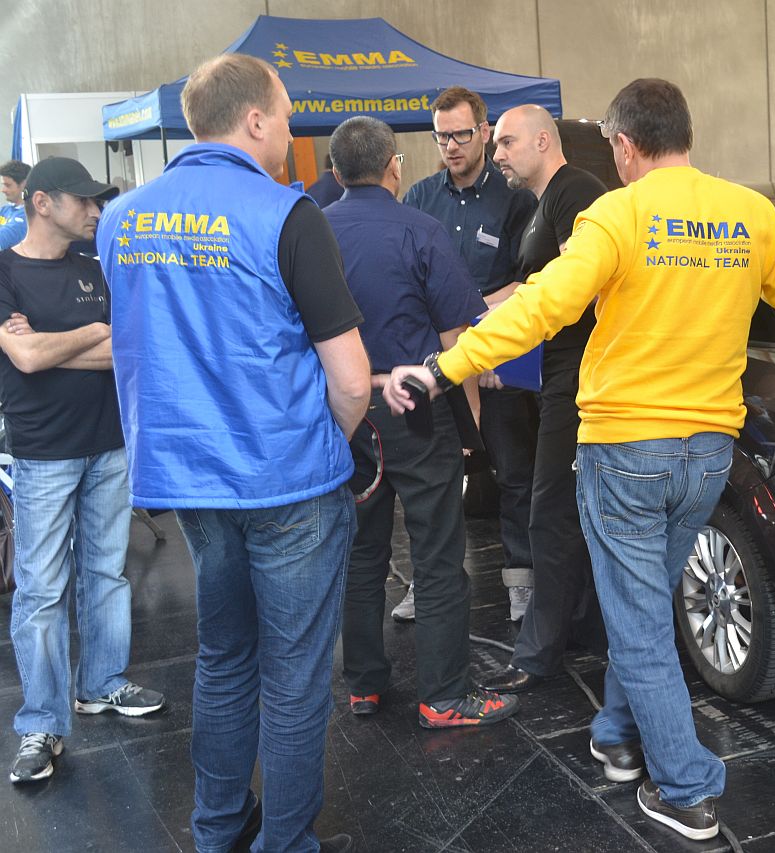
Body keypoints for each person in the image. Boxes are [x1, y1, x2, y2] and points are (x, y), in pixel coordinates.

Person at [382, 78, 775, 842]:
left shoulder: (616, 215)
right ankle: (618, 736)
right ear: (684, 133)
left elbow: (540, 306)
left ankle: (685, 788)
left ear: (623, 145)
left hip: (625, 454)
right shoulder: (748, 213)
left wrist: (442, 369)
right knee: (641, 603)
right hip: (707, 457)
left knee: (642, 620)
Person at [96, 54, 370, 853]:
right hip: (288, 479)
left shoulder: (121, 220)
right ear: (254, 120)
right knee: (294, 675)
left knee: (223, 656)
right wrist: (330, 444)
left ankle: (215, 830)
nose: (287, 131)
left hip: (190, 480)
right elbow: (352, 378)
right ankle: (285, 842)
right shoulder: (288, 214)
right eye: (284, 116)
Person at [322, 115, 518, 727]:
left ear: (336, 173)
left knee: (361, 553)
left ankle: (364, 685)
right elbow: (458, 335)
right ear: (394, 166)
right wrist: (471, 421)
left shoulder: (313, 233)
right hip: (418, 407)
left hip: (344, 413)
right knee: (436, 553)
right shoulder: (421, 229)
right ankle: (444, 695)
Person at [0, 156, 165, 785]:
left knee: (105, 571)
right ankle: (42, 722)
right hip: (43, 451)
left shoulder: (98, 268)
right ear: (42, 202)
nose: (97, 211)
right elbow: (24, 356)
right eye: (85, 200)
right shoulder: (4, 269)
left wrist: (51, 344)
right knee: (42, 589)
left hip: (109, 443)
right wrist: (90, 332)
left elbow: (130, 349)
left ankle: (102, 682)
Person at [480, 104, 608, 694]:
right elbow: (535, 287)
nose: (497, 154)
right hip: (559, 374)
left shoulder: (574, 191)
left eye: (506, 143)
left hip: (579, 379)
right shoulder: (542, 205)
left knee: (550, 512)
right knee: (563, 511)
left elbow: (578, 291)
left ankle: (538, 654)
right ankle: (577, 631)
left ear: (541, 140)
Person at [402, 85, 539, 623]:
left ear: (483, 131)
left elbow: (530, 282)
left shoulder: (514, 198)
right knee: (434, 483)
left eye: (461, 134)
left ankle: (521, 583)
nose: (451, 146)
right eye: (442, 137)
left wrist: (477, 326)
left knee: (514, 475)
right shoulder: (420, 198)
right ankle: (429, 582)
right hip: (439, 365)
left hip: (498, 364)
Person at [0, 160, 31, 250]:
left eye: (8, 185)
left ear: (23, 184)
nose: (3, 190)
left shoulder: (28, 215)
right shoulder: (5, 209)